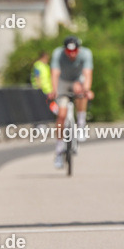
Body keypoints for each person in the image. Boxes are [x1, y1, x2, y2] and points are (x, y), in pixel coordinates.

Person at [50, 35, 94, 169]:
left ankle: (81, 125)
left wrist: (87, 90)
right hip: (63, 82)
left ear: (78, 49)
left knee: (81, 93)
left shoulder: (86, 53)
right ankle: (59, 150)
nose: (72, 54)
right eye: (69, 52)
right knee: (61, 116)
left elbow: (87, 74)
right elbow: (55, 73)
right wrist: (54, 90)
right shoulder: (57, 54)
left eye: (74, 51)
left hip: (77, 80)